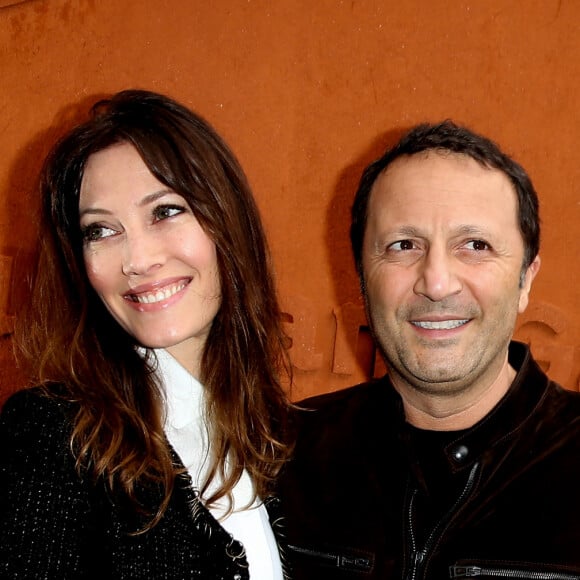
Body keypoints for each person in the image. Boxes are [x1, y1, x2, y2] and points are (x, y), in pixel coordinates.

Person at [0, 89, 293, 579]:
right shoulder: (53, 436)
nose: (136, 261)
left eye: (165, 212)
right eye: (100, 230)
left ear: (227, 218)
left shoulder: (271, 433)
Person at [278, 120, 580, 579]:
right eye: (403, 245)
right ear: (361, 279)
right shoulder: (278, 457)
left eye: (475, 245)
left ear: (526, 279)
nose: (436, 282)